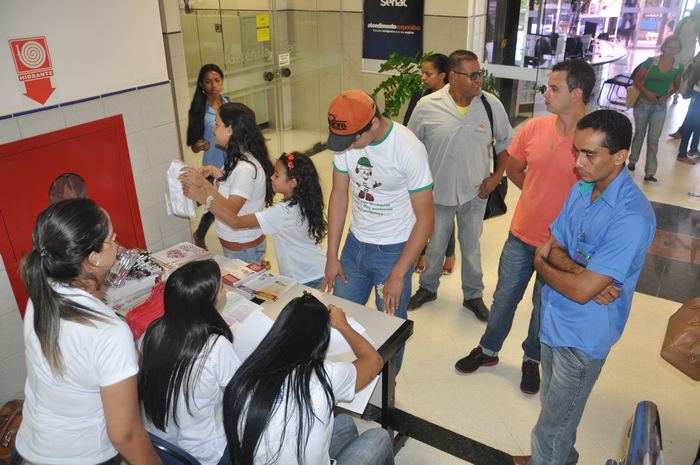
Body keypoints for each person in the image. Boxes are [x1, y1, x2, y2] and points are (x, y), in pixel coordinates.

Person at [454, 60, 595, 395]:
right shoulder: (534, 128)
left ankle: (532, 359)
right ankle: (488, 349)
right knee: (504, 298)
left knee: (544, 307)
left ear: (577, 94)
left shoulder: (594, 140)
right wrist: (536, 194)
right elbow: (514, 170)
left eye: (554, 88)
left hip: (561, 248)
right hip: (521, 235)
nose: (546, 93)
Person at [527, 110, 656, 465]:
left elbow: (561, 272)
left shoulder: (631, 216)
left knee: (551, 429)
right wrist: (584, 274)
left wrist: (545, 266)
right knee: (553, 409)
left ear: (620, 156)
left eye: (589, 154)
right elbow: (554, 246)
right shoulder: (581, 189)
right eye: (576, 152)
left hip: (582, 338)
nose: (577, 163)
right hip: (553, 318)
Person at [14, 199, 161, 465]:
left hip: (34, 445)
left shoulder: (43, 293)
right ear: (94, 258)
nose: (118, 244)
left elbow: (77, 363)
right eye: (112, 239)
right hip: (81, 455)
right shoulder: (109, 333)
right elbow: (125, 436)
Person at [322, 89, 434, 373]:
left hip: (394, 252)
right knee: (339, 319)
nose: (347, 147)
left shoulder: (408, 149)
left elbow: (426, 219)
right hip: (354, 246)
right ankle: (345, 381)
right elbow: (339, 196)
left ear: (373, 123)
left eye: (352, 140)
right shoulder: (347, 145)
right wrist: (332, 255)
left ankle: (386, 391)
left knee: (389, 329)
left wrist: (398, 274)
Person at [223, 292, 393, 465]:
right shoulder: (323, 377)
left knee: (345, 422)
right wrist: (343, 325)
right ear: (321, 341)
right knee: (379, 436)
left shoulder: (246, 374)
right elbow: (374, 360)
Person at [406, 49, 514, 321]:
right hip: (437, 192)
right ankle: (428, 288)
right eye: (472, 75)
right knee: (435, 245)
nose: (479, 80)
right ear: (453, 77)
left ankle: (473, 295)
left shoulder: (490, 104)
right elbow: (410, 147)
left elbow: (505, 145)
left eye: (480, 74)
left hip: (476, 192)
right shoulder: (427, 105)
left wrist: (496, 177)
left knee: (471, 246)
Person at [139, 260, 240, 465]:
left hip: (162, 445)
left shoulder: (152, 332)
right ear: (208, 302)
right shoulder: (216, 347)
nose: (225, 291)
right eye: (222, 287)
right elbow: (238, 399)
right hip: (206, 453)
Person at [183, 151, 327, 288]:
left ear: (293, 182)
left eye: (277, 175)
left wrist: (203, 197)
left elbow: (235, 222)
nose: (271, 177)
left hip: (306, 278)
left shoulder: (283, 212)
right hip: (315, 269)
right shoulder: (304, 202)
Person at [180, 102, 274, 263]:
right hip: (238, 248)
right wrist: (214, 173)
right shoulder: (236, 159)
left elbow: (231, 210)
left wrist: (203, 188)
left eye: (217, 125)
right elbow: (229, 188)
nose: (213, 130)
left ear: (230, 130)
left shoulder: (245, 169)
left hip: (244, 251)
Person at [403, 53, 456, 276]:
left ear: (443, 75)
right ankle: (421, 251)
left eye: (428, 73)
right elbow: (408, 127)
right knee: (421, 210)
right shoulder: (420, 96)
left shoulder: (455, 99)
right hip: (422, 163)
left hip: (446, 164)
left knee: (444, 209)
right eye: (422, 73)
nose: (423, 78)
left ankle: (449, 253)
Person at [628, 36, 684, 182]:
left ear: (679, 50)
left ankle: (650, 172)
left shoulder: (678, 67)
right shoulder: (651, 61)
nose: (672, 50)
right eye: (670, 47)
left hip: (660, 106)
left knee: (653, 139)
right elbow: (637, 80)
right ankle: (632, 161)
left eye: (676, 48)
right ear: (664, 47)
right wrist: (647, 93)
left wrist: (666, 96)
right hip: (643, 103)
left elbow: (677, 85)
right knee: (639, 134)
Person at [187, 64, 230, 250]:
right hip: (212, 165)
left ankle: (211, 232)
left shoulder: (228, 103)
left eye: (217, 80)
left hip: (231, 161)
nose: (214, 85)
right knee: (214, 204)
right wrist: (199, 145)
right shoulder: (199, 110)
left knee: (227, 201)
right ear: (202, 85)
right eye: (208, 82)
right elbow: (194, 145)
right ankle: (200, 234)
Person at [677, 56, 700, 165]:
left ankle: (693, 149)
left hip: (696, 94)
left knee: (698, 125)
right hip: (698, 95)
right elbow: (693, 76)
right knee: (690, 126)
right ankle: (682, 154)